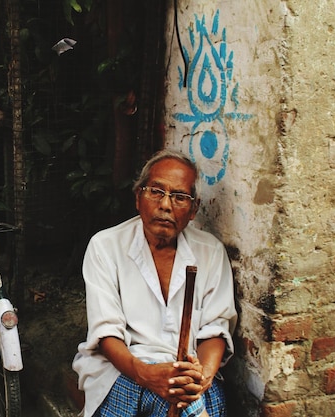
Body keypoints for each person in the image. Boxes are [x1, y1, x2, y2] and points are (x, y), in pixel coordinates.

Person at [72, 149, 237, 417]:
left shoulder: (210, 251)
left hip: (186, 372)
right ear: (138, 198)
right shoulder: (105, 246)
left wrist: (202, 377)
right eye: (156, 192)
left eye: (180, 197)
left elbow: (215, 329)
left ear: (194, 209)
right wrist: (148, 374)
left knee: (192, 401)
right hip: (125, 369)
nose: (166, 205)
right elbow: (107, 333)